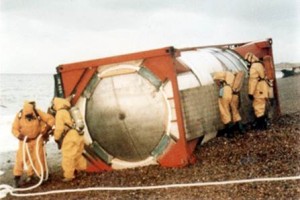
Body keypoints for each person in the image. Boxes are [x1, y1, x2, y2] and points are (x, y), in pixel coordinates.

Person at [12, 101, 55, 188]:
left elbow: (51, 119)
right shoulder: (19, 116)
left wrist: (46, 129)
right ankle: (17, 177)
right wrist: (20, 136)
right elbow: (14, 129)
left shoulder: (37, 112)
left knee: (39, 157)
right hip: (24, 141)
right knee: (21, 159)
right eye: (27, 116)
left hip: (37, 139)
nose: (29, 117)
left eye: (30, 115)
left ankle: (41, 175)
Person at [52, 97, 87, 182]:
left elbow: (59, 128)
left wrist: (56, 138)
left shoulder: (60, 113)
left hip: (70, 137)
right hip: (79, 134)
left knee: (68, 156)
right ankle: (82, 170)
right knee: (77, 154)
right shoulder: (70, 110)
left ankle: (69, 176)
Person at [213, 71, 245, 138]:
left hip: (225, 91)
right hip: (234, 93)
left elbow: (216, 80)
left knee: (224, 110)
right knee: (235, 110)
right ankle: (241, 129)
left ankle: (230, 133)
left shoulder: (221, 73)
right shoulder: (233, 76)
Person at [245, 52, 269, 130]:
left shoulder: (254, 67)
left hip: (259, 88)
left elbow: (253, 80)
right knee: (262, 105)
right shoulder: (260, 64)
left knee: (258, 106)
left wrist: (250, 93)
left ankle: (261, 126)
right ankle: (264, 124)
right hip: (263, 87)